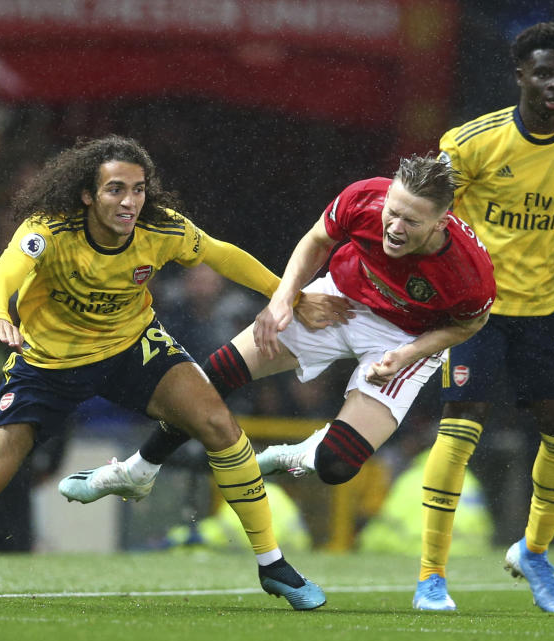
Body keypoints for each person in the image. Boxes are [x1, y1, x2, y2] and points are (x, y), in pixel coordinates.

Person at [0, 135, 329, 610]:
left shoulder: (161, 230)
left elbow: (222, 254)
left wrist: (283, 295)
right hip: (47, 367)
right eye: (115, 189)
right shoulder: (50, 230)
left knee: (220, 426)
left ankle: (273, 565)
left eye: (138, 189)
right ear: (87, 194)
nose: (130, 201)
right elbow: (0, 279)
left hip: (131, 348)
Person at [58, 155, 496, 551]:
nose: (395, 228)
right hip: (341, 300)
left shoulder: (470, 274)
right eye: (393, 213)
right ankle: (139, 470)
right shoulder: (365, 197)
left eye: (412, 223)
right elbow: (316, 240)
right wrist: (285, 299)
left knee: (336, 465)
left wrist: (407, 355)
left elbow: (469, 323)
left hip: (404, 336)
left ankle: (299, 454)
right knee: (215, 374)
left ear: (442, 222)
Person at [413, 22, 554, 614]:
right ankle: (431, 576)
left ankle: (533, 552)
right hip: (477, 311)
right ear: (520, 75)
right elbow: (431, 216)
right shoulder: (470, 143)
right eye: (543, 73)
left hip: (546, 310)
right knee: (460, 428)